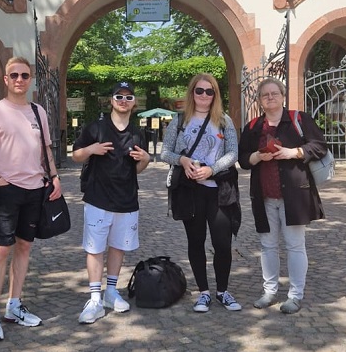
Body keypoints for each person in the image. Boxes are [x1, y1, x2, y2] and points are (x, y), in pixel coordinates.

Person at [0, 56, 62, 342]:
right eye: (14, 75)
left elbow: (46, 150)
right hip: (8, 192)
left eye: (24, 75)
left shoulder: (38, 112)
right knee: (1, 250)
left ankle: (14, 306)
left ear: (30, 79)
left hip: (36, 189)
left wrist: (55, 177)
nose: (19, 79)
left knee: (24, 248)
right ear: (5, 80)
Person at [237, 76, 326, 315]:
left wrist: (293, 152)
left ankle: (295, 295)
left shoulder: (299, 120)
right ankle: (269, 291)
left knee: (295, 246)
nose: (270, 98)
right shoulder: (254, 126)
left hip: (294, 196)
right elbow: (243, 158)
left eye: (274, 93)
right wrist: (257, 156)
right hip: (264, 195)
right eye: (265, 95)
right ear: (260, 101)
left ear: (283, 96)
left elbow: (319, 146)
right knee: (267, 246)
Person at [161, 73, 241, 313]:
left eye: (209, 91)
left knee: (222, 243)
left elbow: (233, 153)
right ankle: (204, 293)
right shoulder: (180, 120)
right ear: (192, 92)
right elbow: (165, 152)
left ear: (215, 95)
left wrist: (211, 169)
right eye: (199, 90)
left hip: (219, 191)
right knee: (195, 242)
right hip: (190, 192)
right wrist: (183, 160)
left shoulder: (224, 120)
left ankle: (222, 291)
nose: (204, 95)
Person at [72, 82, 151, 324]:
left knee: (118, 246)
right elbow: (75, 156)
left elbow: (137, 168)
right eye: (119, 96)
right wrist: (91, 149)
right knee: (95, 248)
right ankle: (95, 297)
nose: (123, 101)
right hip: (98, 197)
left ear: (134, 102)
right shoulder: (96, 127)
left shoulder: (138, 133)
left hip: (126, 198)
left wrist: (146, 159)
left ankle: (111, 291)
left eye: (128, 97)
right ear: (111, 100)